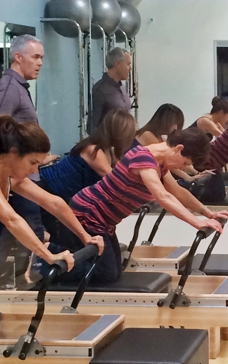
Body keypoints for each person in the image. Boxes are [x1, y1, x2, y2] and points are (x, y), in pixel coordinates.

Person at [58, 128, 228, 285]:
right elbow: (163, 196)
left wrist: (208, 212)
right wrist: (197, 222)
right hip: (88, 213)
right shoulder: (143, 158)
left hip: (104, 220)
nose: (184, 167)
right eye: (185, 163)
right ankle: (47, 267)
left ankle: (58, 258)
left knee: (116, 271)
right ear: (178, 148)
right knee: (107, 274)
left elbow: (177, 192)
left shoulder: (161, 163)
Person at [0, 115, 104, 279]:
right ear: (13, 153)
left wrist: (86, 237)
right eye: (32, 162)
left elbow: (53, 202)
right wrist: (48, 255)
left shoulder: (10, 177)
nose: (35, 171)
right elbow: (12, 219)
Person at [0, 34, 57, 267]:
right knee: (26, 238)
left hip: (22, 176)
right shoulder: (9, 88)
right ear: (17, 57)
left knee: (26, 237)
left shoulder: (20, 87)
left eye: (41, 58)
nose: (40, 63)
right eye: (35, 57)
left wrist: (37, 160)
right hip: (16, 179)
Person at [38, 109, 136, 241]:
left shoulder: (109, 151)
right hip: (48, 188)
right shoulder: (93, 150)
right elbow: (117, 180)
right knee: (63, 239)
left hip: (64, 196)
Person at [132, 103, 209, 182]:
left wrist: (196, 173)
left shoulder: (160, 137)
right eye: (174, 123)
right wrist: (188, 178)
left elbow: (180, 161)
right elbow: (170, 164)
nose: (175, 128)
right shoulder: (148, 135)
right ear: (164, 121)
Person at [88, 47, 132, 133]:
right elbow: (92, 126)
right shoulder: (100, 90)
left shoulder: (122, 88)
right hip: (108, 144)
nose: (130, 68)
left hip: (125, 143)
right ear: (117, 65)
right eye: (128, 64)